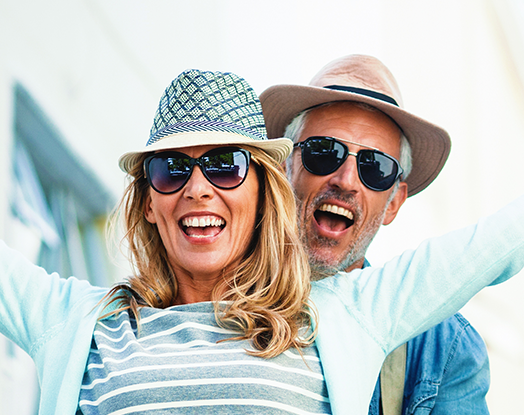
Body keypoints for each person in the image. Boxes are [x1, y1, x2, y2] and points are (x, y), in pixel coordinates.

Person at [0, 68, 523, 415]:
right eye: (171, 169)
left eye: (226, 167)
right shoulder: (73, 321)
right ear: (147, 203)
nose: (198, 187)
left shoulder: (344, 314)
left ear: (263, 196)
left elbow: (494, 243)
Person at [260, 54, 490, 414]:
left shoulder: (442, 348)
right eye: (325, 152)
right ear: (283, 168)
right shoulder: (206, 302)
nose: (346, 180)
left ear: (394, 202)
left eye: (375, 167)